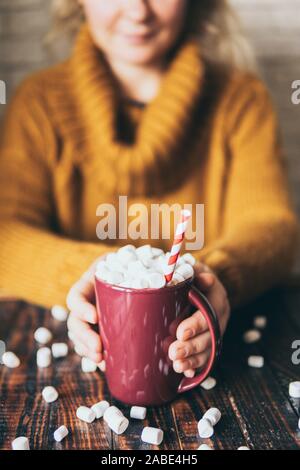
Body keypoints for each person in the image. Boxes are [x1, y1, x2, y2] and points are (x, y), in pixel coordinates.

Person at [0, 0, 298, 378]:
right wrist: (101, 279)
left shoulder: (240, 101)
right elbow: (6, 235)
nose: (138, 11)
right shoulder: (37, 104)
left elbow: (272, 224)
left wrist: (215, 277)